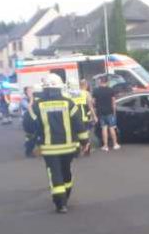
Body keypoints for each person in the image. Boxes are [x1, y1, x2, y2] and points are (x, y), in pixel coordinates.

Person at [31, 74, 87, 213]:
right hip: (69, 147)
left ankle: (60, 204)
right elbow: (79, 124)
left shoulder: (37, 105)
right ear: (60, 87)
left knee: (55, 173)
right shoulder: (69, 103)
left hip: (49, 148)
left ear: (44, 89)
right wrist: (85, 141)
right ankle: (65, 196)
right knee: (66, 171)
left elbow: (29, 125)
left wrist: (33, 143)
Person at [92, 75, 120, 152]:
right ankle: (115, 144)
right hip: (110, 112)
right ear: (107, 82)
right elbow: (113, 103)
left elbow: (93, 102)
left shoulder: (96, 91)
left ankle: (105, 146)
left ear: (100, 82)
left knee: (104, 128)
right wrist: (114, 113)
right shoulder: (110, 90)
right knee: (112, 128)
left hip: (100, 112)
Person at [71, 79, 97, 155]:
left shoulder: (70, 94)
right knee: (85, 133)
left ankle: (77, 150)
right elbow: (90, 106)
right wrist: (94, 116)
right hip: (83, 116)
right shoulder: (86, 93)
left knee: (75, 133)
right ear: (85, 85)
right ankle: (86, 149)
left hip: (74, 117)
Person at [20, 87, 37, 158]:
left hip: (33, 119)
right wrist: (31, 99)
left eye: (32, 90)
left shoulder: (34, 98)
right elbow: (29, 107)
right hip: (27, 120)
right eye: (29, 90)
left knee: (34, 136)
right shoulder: (24, 100)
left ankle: (29, 147)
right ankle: (28, 151)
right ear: (26, 92)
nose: (31, 91)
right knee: (30, 136)